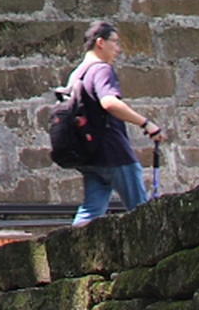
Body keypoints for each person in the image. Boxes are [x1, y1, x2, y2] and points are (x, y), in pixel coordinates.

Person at [65, 20, 166, 224]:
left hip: (90, 155)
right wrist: (146, 124)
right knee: (141, 213)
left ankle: (67, 250)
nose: (118, 49)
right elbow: (109, 102)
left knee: (90, 213)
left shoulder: (76, 75)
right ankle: (152, 253)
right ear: (100, 42)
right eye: (115, 42)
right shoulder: (101, 69)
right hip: (113, 152)